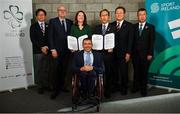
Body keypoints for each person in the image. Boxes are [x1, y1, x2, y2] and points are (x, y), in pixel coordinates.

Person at [48, 5, 73, 99]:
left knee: (64, 70)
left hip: (67, 51)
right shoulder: (53, 21)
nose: (62, 12)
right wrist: (52, 49)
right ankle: (55, 89)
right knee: (55, 70)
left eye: (64, 10)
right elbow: (50, 36)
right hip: (56, 51)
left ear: (66, 12)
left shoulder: (70, 22)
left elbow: (71, 37)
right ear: (57, 11)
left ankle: (62, 86)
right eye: (60, 10)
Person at [132, 8, 155, 97]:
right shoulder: (133, 27)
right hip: (135, 54)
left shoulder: (151, 27)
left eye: (143, 14)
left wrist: (150, 53)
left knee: (144, 72)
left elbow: (152, 41)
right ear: (137, 16)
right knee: (136, 71)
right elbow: (131, 41)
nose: (142, 16)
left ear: (146, 15)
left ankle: (143, 89)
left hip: (146, 55)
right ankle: (136, 87)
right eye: (140, 14)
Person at [111, 6, 134, 95]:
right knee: (114, 71)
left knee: (124, 72)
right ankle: (115, 86)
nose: (119, 14)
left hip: (124, 53)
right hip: (112, 53)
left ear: (124, 14)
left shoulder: (129, 26)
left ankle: (124, 88)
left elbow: (130, 41)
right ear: (115, 14)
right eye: (117, 13)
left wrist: (128, 53)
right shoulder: (111, 24)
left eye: (120, 12)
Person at [93, 9, 115, 98]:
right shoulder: (96, 28)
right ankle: (98, 90)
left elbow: (117, 41)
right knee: (98, 72)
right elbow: (93, 41)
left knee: (108, 72)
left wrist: (112, 48)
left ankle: (108, 90)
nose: (104, 17)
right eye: (102, 15)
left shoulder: (113, 28)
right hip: (98, 54)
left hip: (109, 54)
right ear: (100, 17)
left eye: (106, 15)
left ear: (109, 17)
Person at [30, 9, 50, 94]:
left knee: (46, 68)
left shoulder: (48, 25)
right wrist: (41, 47)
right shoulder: (33, 26)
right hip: (38, 51)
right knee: (39, 69)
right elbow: (33, 39)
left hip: (47, 51)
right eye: (39, 15)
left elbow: (50, 38)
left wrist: (47, 47)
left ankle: (45, 84)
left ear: (45, 16)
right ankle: (40, 86)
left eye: (43, 15)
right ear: (37, 16)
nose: (41, 16)